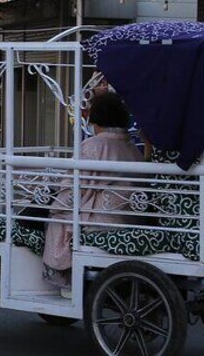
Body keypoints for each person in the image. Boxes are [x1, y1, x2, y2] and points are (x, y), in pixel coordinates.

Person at [42, 92, 142, 297]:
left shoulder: (92, 146)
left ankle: (67, 281)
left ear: (94, 118)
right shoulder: (132, 149)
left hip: (102, 220)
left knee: (55, 219)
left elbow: (71, 191)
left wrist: (53, 206)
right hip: (131, 216)